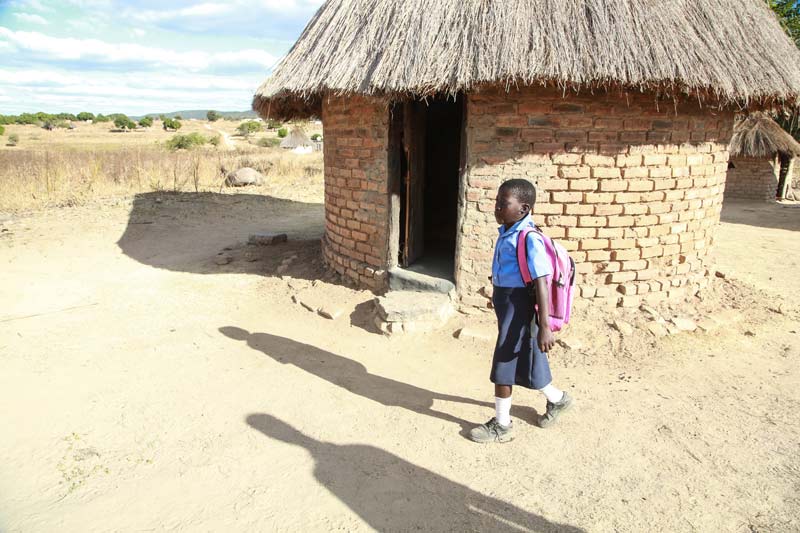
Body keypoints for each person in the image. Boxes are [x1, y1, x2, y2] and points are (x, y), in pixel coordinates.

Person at [469, 179, 573, 443]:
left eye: (503, 204)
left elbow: (541, 281)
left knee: (504, 360)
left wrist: (546, 326)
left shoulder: (529, 239)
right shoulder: (508, 232)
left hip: (521, 308)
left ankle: (502, 425)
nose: (497, 208)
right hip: (509, 305)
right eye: (497, 203)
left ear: (523, 208)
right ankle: (558, 399)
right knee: (529, 358)